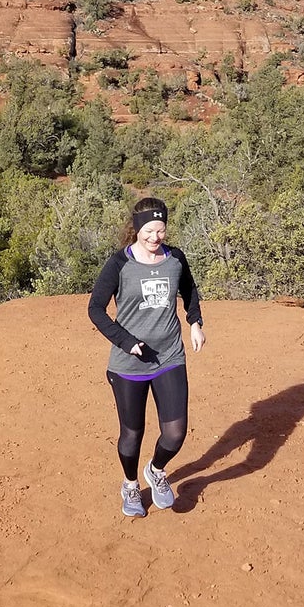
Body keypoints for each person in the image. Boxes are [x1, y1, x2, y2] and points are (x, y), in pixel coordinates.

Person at [88, 196, 205, 517]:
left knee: (175, 432)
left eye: (161, 231)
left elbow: (190, 290)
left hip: (169, 356)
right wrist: (125, 341)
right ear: (136, 229)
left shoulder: (175, 259)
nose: (155, 238)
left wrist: (195, 321)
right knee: (132, 432)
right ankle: (129, 485)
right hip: (128, 365)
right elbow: (95, 309)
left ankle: (156, 470)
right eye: (149, 231)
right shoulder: (119, 264)